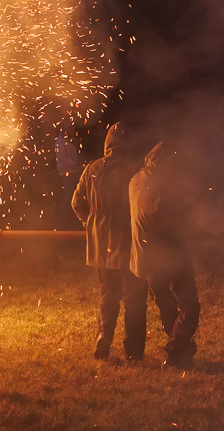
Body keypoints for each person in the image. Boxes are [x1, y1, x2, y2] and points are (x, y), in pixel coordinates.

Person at [72, 121, 147, 361]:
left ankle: (103, 342)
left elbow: (76, 203)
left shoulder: (91, 168)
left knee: (108, 292)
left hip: (101, 242)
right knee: (134, 294)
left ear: (108, 142)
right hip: (128, 240)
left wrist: (91, 224)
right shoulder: (135, 169)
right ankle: (133, 351)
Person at [130, 142, 200, 370]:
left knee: (168, 307)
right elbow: (170, 224)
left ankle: (181, 351)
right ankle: (174, 352)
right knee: (190, 307)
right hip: (168, 258)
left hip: (145, 259)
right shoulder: (160, 189)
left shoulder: (135, 180)